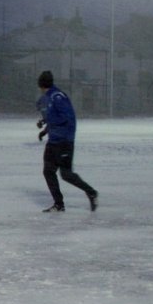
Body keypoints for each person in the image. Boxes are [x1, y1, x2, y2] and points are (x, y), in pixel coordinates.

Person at [36, 70, 98, 213]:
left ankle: (91, 192)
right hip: (53, 141)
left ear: (41, 85)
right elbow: (54, 116)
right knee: (48, 171)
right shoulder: (50, 97)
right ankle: (59, 204)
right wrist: (44, 129)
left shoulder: (58, 97)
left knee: (66, 174)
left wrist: (49, 123)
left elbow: (66, 117)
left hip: (64, 142)